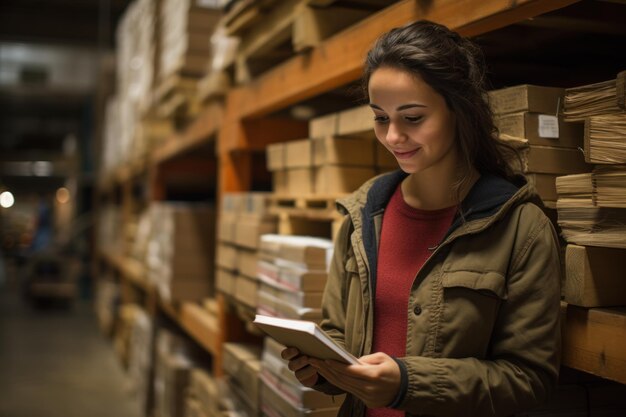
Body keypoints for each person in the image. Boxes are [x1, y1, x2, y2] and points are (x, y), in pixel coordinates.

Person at [281, 20, 562, 417]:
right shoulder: (363, 215)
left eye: (412, 118)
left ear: (458, 111)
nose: (393, 136)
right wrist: (322, 368)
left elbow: (528, 379)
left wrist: (409, 384)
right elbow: (338, 332)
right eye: (381, 118)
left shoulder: (520, 227)